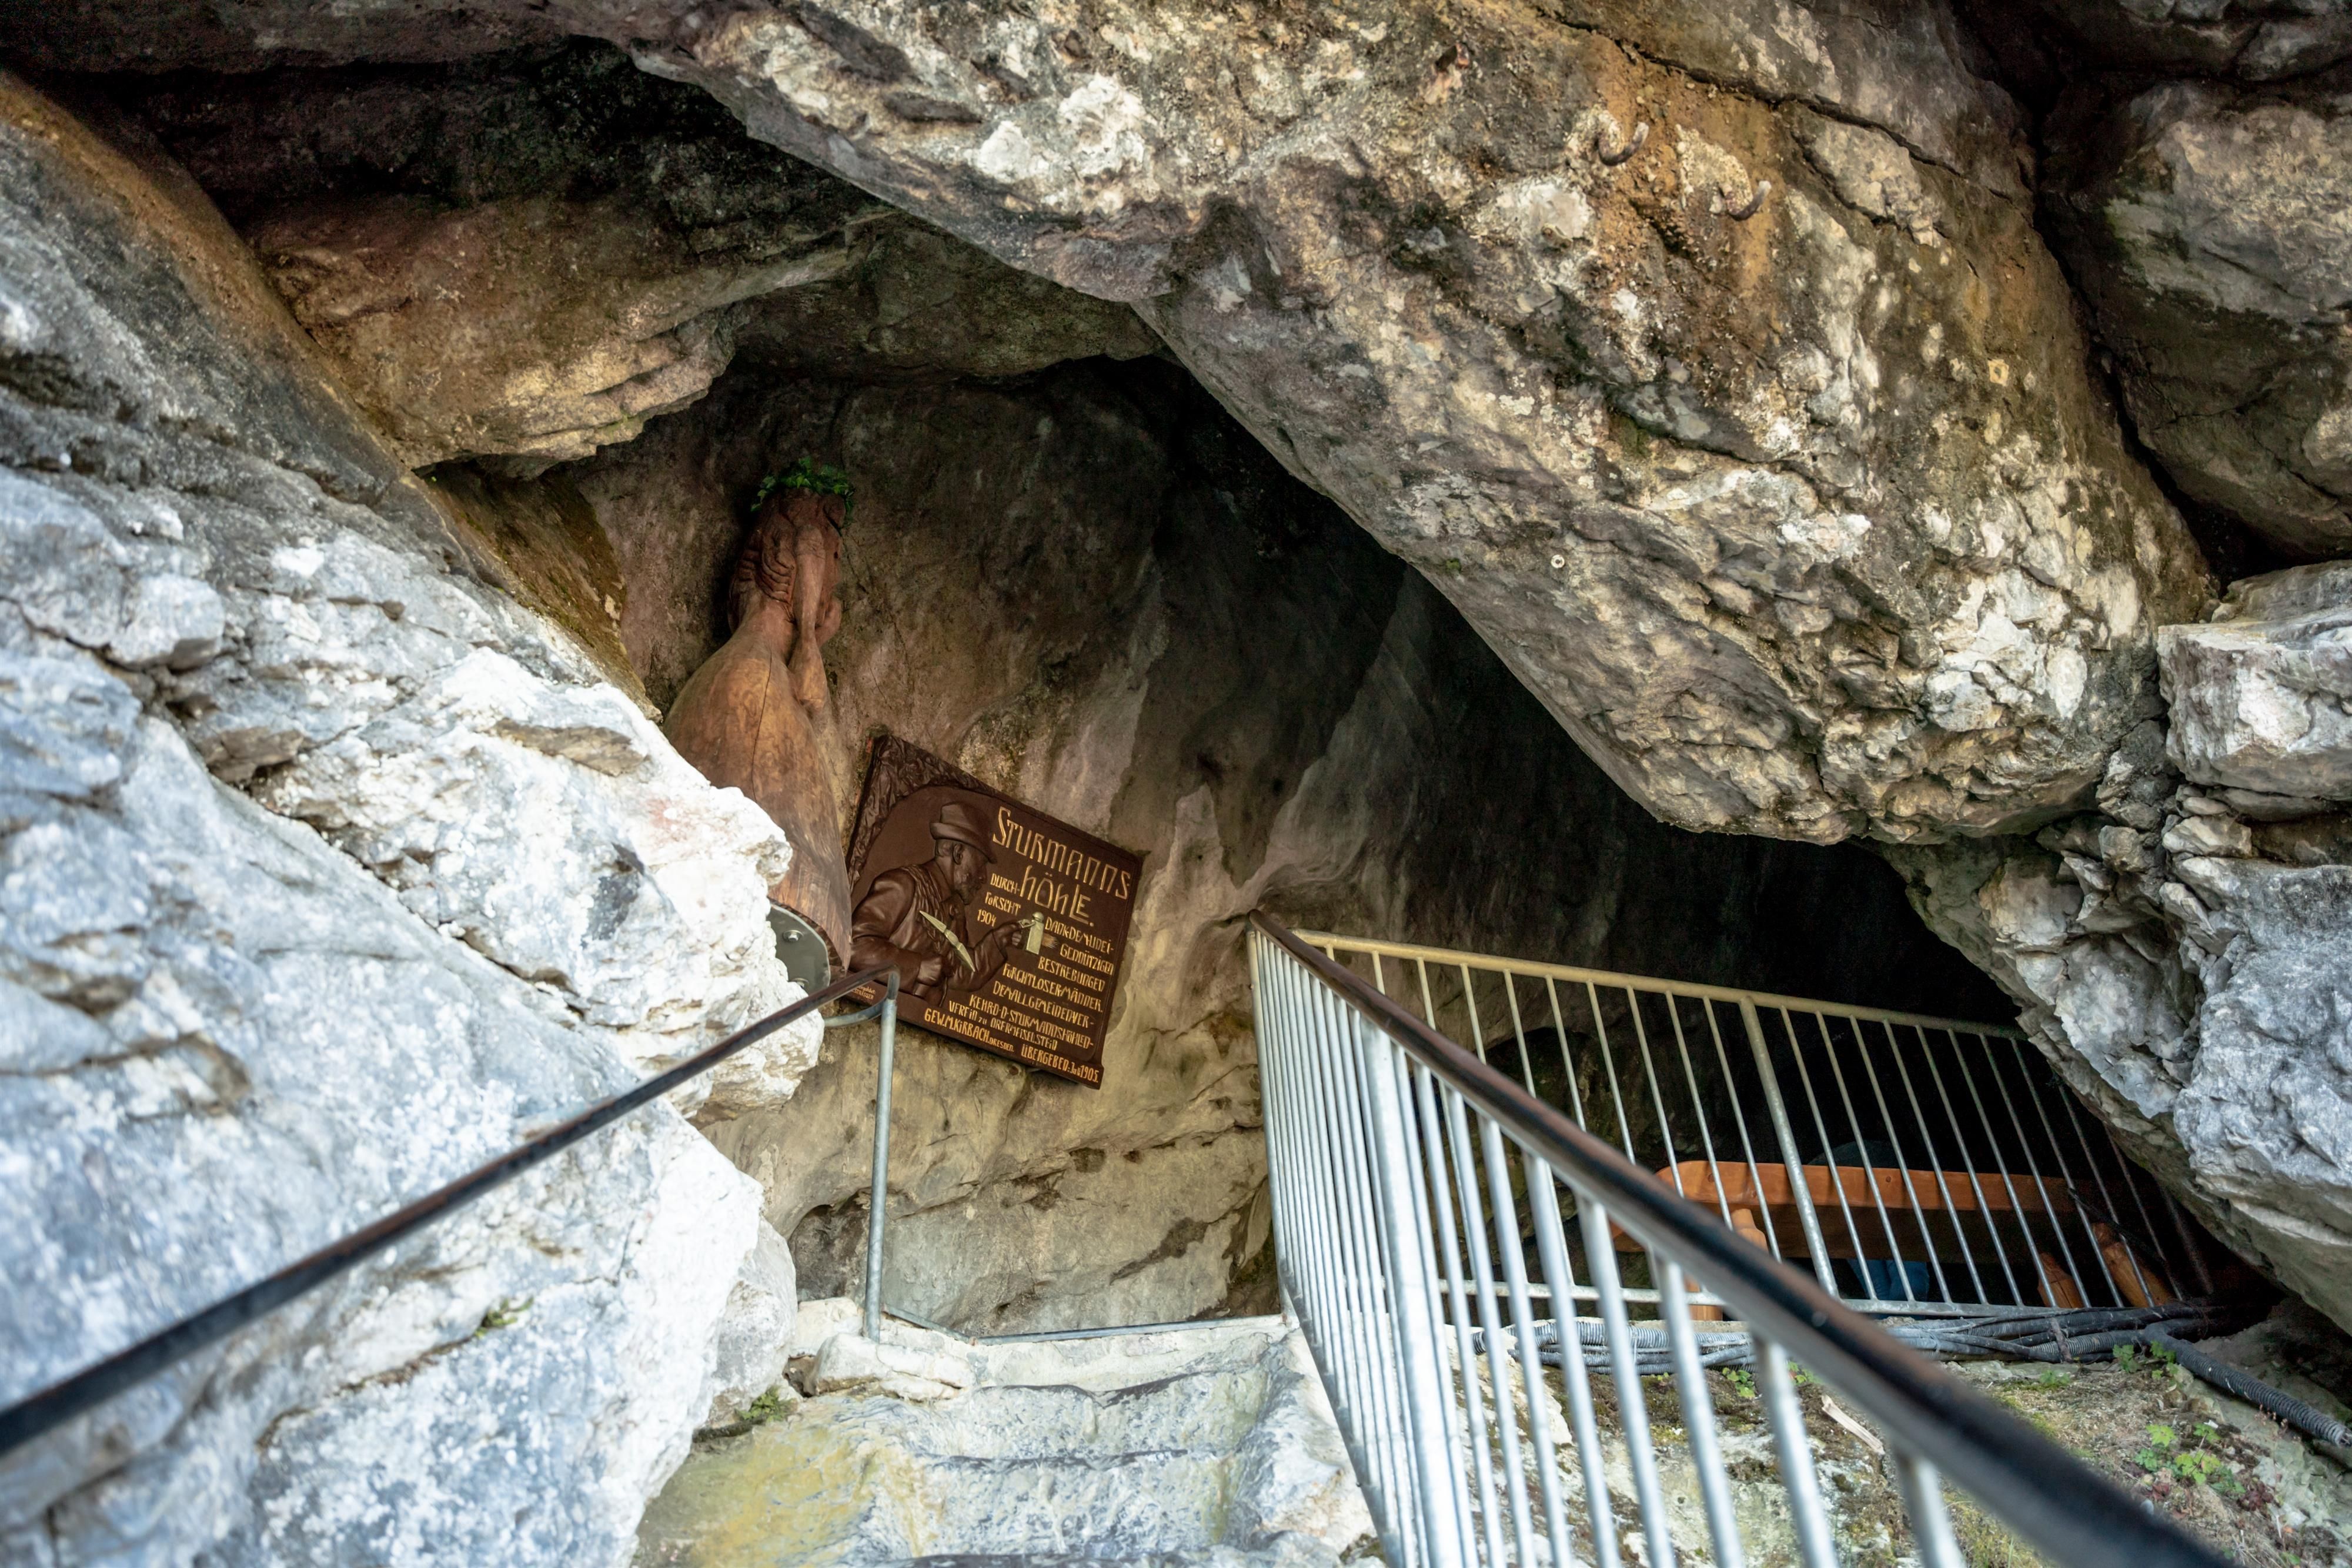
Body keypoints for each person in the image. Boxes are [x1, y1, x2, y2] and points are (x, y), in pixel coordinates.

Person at [848, 800, 1023, 1003]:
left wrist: (997, 942)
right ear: (958, 854)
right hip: (878, 1011)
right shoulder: (903, 885)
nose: (984, 877)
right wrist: (917, 967)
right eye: (981, 864)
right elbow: (855, 946)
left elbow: (957, 973)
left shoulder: (954, 908)